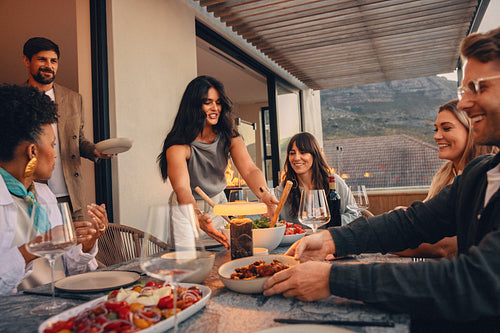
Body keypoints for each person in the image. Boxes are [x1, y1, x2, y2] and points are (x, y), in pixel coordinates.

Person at [263, 27, 500, 322]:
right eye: (464, 91)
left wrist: (333, 279)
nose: (464, 103)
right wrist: (332, 241)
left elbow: (473, 281)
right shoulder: (481, 173)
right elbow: (412, 222)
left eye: (479, 87)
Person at [0, 84, 109, 295]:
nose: (55, 154)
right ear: (32, 151)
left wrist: (87, 243)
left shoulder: (43, 195)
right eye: (52, 145)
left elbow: (66, 272)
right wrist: (35, 247)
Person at [158, 76, 278, 248]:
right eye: (208, 102)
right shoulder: (178, 146)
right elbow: (182, 189)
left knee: (225, 251)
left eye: (218, 102)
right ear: (193, 106)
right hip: (188, 207)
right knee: (190, 259)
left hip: (218, 202)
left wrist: (264, 194)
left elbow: (250, 170)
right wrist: (197, 216)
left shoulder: (229, 136)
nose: (215, 108)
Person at [22, 37, 113, 221]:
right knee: (42, 246)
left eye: (53, 61)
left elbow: (77, 139)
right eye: (42, 59)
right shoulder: (15, 99)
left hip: (71, 192)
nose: (49, 65)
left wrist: (95, 150)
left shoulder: (73, 98)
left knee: (77, 245)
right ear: (26, 60)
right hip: (30, 191)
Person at [394, 100, 497, 258]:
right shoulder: (444, 175)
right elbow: (427, 224)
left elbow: (444, 246)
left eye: (446, 128)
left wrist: (386, 242)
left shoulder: (486, 178)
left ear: (471, 131)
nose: (437, 136)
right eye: (436, 129)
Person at [274, 132, 358, 226]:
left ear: (315, 155)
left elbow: (355, 216)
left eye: (303, 152)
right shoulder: (283, 190)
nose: (296, 158)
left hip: (330, 240)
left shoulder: (334, 182)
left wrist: (331, 219)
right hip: (298, 241)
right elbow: (274, 221)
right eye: (292, 153)